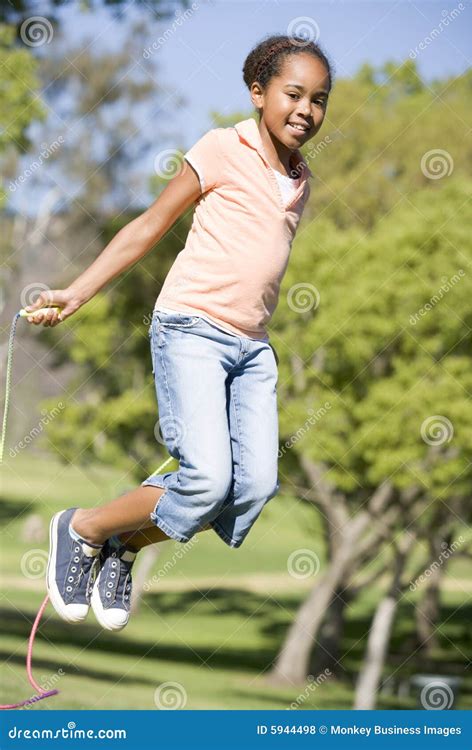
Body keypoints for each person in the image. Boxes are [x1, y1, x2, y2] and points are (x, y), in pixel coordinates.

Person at [26, 34, 333, 631]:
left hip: (253, 349)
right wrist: (78, 292)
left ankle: (122, 545)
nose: (306, 110)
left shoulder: (300, 179)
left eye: (319, 100)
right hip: (192, 327)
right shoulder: (223, 147)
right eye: (293, 94)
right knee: (206, 477)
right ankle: (83, 527)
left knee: (252, 488)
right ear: (258, 92)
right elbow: (149, 225)